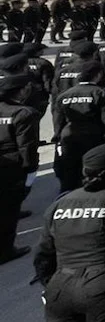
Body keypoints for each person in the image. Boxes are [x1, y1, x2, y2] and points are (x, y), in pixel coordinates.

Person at [34, 142, 105, 322]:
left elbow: (44, 251)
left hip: (60, 286)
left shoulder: (60, 203)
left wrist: (50, 282)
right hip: (104, 287)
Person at [52, 61, 105, 192]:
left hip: (69, 136)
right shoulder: (101, 93)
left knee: (70, 169)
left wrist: (59, 137)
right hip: (93, 136)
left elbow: (57, 120)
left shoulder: (64, 95)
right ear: (98, 75)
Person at [0, 72, 39, 263]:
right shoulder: (24, 113)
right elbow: (27, 146)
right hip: (12, 167)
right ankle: (5, 251)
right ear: (21, 91)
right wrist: (30, 171)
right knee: (9, 211)